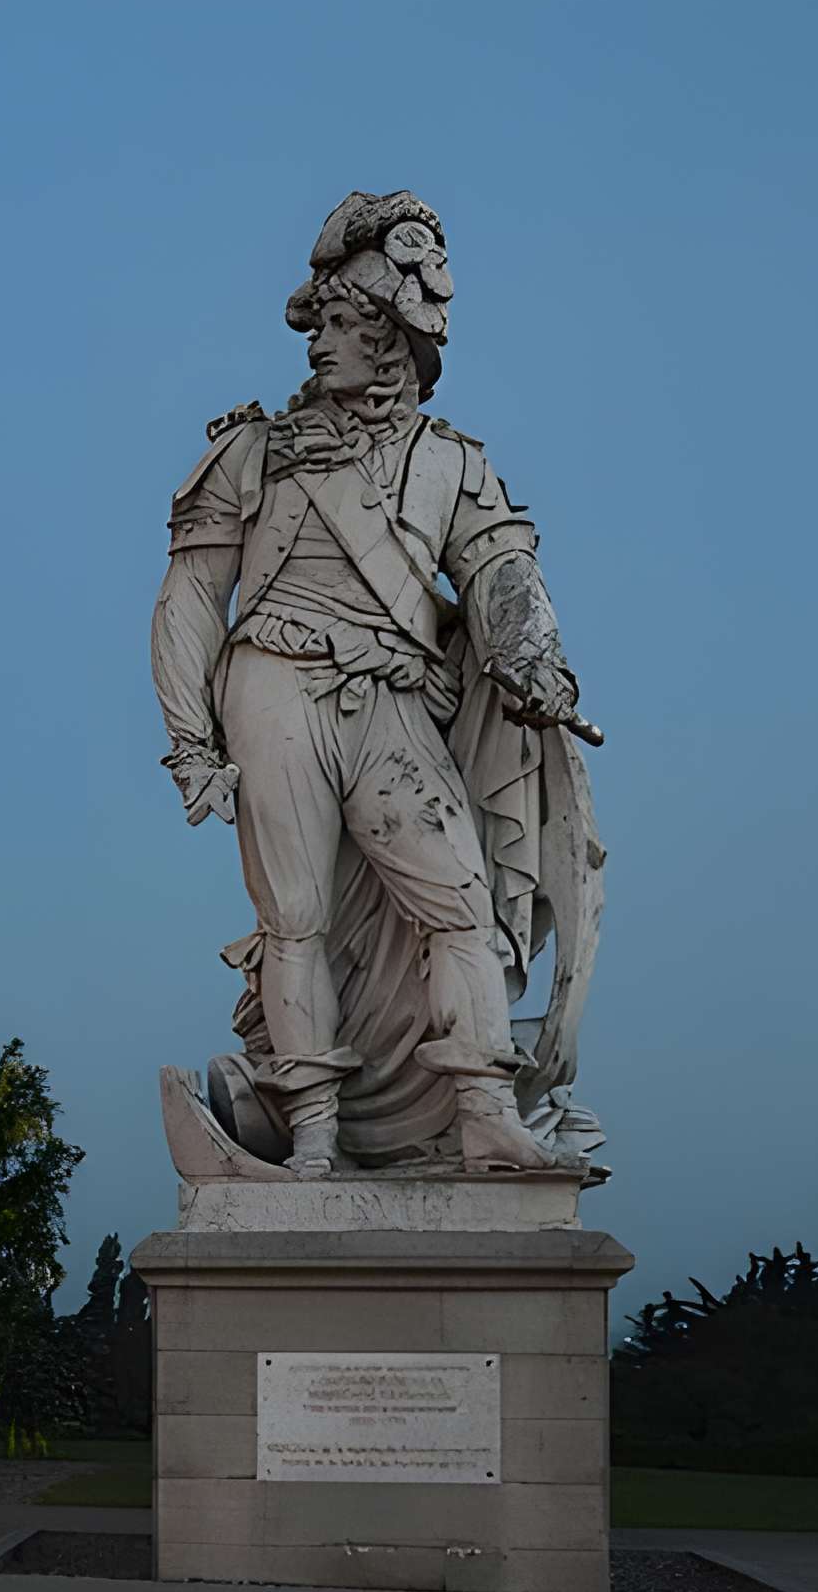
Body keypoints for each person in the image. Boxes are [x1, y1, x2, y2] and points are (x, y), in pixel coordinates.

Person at [151, 190, 604, 1177]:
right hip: (273, 680)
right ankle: (314, 1137)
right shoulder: (252, 450)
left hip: (393, 697)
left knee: (460, 903)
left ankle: (484, 1113)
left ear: (392, 339)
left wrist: (536, 663)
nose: (318, 343)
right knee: (295, 918)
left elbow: (500, 571)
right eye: (318, 323)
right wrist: (190, 741)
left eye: (342, 323)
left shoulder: (452, 463)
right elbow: (190, 599)